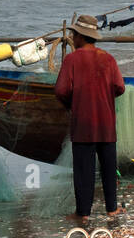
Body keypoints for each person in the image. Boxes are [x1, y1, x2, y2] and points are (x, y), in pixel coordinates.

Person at [54, 14, 126, 223]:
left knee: (84, 171)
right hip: (106, 124)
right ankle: (111, 209)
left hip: (83, 124)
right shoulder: (108, 58)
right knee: (108, 168)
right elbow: (120, 87)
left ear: (80, 36)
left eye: (74, 35)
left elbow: (61, 90)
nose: (73, 38)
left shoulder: (72, 59)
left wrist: (72, 104)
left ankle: (83, 213)